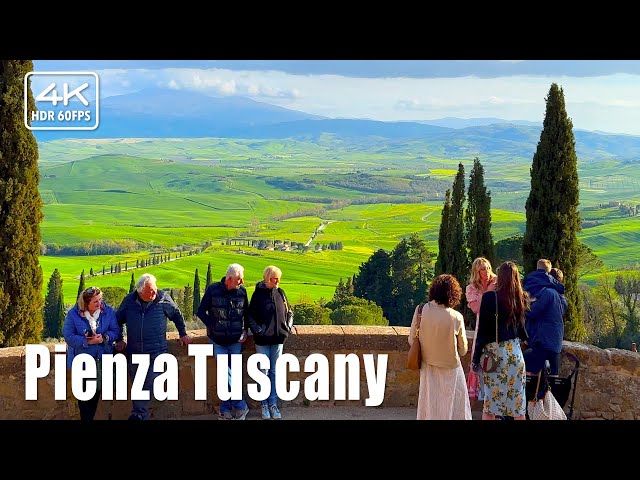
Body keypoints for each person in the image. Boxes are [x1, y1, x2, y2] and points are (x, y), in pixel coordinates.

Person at [114, 273, 191, 420]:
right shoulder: (129, 301)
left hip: (156, 351)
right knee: (137, 384)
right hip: (135, 351)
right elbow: (117, 320)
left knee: (149, 382)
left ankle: (138, 414)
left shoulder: (163, 297)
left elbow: (176, 314)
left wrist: (183, 333)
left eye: (155, 289)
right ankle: (140, 414)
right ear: (140, 291)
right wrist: (119, 339)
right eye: (151, 291)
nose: (155, 293)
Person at [409, 274, 471, 420]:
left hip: (428, 366)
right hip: (451, 368)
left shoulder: (421, 310)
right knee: (454, 408)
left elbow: (412, 340)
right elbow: (462, 350)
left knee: (429, 405)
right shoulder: (456, 317)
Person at [471, 261, 529, 420]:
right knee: (518, 407)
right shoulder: (520, 297)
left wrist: (476, 359)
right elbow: (523, 330)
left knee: (490, 406)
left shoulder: (490, 298)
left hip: (496, 355)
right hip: (516, 355)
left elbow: (482, 331)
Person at [197, 263, 250, 420]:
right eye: (239, 280)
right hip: (218, 340)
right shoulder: (213, 289)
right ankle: (239, 405)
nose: (241, 283)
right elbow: (200, 311)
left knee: (231, 373)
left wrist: (245, 331)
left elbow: (246, 314)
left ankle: (225, 408)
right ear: (229, 279)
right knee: (224, 373)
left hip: (235, 340)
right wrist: (213, 325)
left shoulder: (242, 292)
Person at [62, 286, 120, 420]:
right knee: (84, 399)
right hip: (82, 363)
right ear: (86, 303)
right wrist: (87, 341)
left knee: (95, 396)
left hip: (101, 362)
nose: (100, 304)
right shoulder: (73, 314)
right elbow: (68, 336)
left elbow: (116, 331)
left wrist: (105, 337)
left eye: (100, 300)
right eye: (95, 302)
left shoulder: (108, 311)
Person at [248, 265, 294, 420]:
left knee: (275, 372)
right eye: (275, 278)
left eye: (278, 278)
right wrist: (258, 331)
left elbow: (289, 312)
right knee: (263, 373)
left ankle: (273, 403)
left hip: (278, 339)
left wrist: (287, 327)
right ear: (268, 278)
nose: (278, 281)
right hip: (262, 340)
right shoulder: (257, 295)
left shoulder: (281, 292)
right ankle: (264, 405)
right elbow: (250, 316)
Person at [522, 259, 567, 377]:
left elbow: (533, 312)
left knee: (525, 367)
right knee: (553, 377)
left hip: (544, 340)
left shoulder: (548, 293)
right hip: (555, 342)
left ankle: (532, 395)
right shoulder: (561, 297)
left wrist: (524, 307)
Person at [465, 257, 497, 402]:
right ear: (476, 272)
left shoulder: (498, 283)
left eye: (488, 268)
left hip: (497, 327)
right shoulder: (471, 288)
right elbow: (476, 309)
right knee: (478, 360)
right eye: (483, 269)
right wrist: (488, 293)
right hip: (482, 326)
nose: (487, 272)